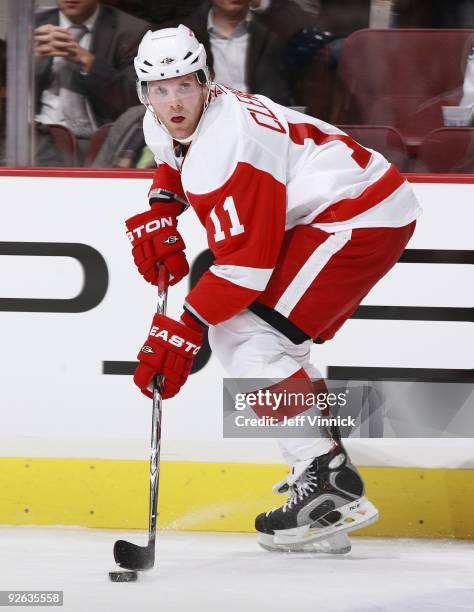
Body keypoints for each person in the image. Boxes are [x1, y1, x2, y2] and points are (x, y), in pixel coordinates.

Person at [124, 25, 422, 552]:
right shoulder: (164, 120)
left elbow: (245, 269)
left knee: (245, 338)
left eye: (184, 86)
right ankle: (325, 488)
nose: (173, 102)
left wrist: (184, 328)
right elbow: (172, 161)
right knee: (264, 342)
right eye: (160, 89)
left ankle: (327, 481)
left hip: (357, 213)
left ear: (206, 81)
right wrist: (162, 211)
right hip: (328, 210)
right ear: (144, 92)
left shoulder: (231, 144)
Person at [34, 0, 149, 164]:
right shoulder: (30, 26)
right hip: (38, 137)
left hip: (101, 142)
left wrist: (88, 61)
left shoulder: (131, 31)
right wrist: (30, 63)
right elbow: (8, 99)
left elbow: (135, 101)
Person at [183, 0, 292, 104]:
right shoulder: (185, 36)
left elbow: (276, 94)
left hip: (258, 118)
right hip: (206, 118)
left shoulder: (270, 37)